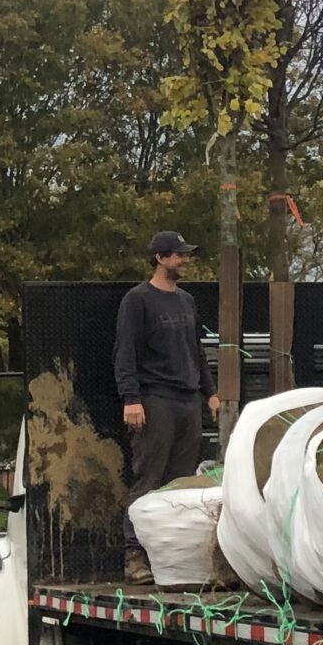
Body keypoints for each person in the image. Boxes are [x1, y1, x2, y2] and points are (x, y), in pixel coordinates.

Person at [114, 229, 220, 583]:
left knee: (181, 482)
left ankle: (174, 560)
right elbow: (125, 352)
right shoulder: (137, 300)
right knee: (149, 478)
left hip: (188, 399)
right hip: (155, 397)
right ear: (160, 258)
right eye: (178, 255)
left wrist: (211, 392)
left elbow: (198, 351)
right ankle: (135, 556)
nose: (185, 261)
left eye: (186, 254)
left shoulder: (187, 301)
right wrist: (131, 398)